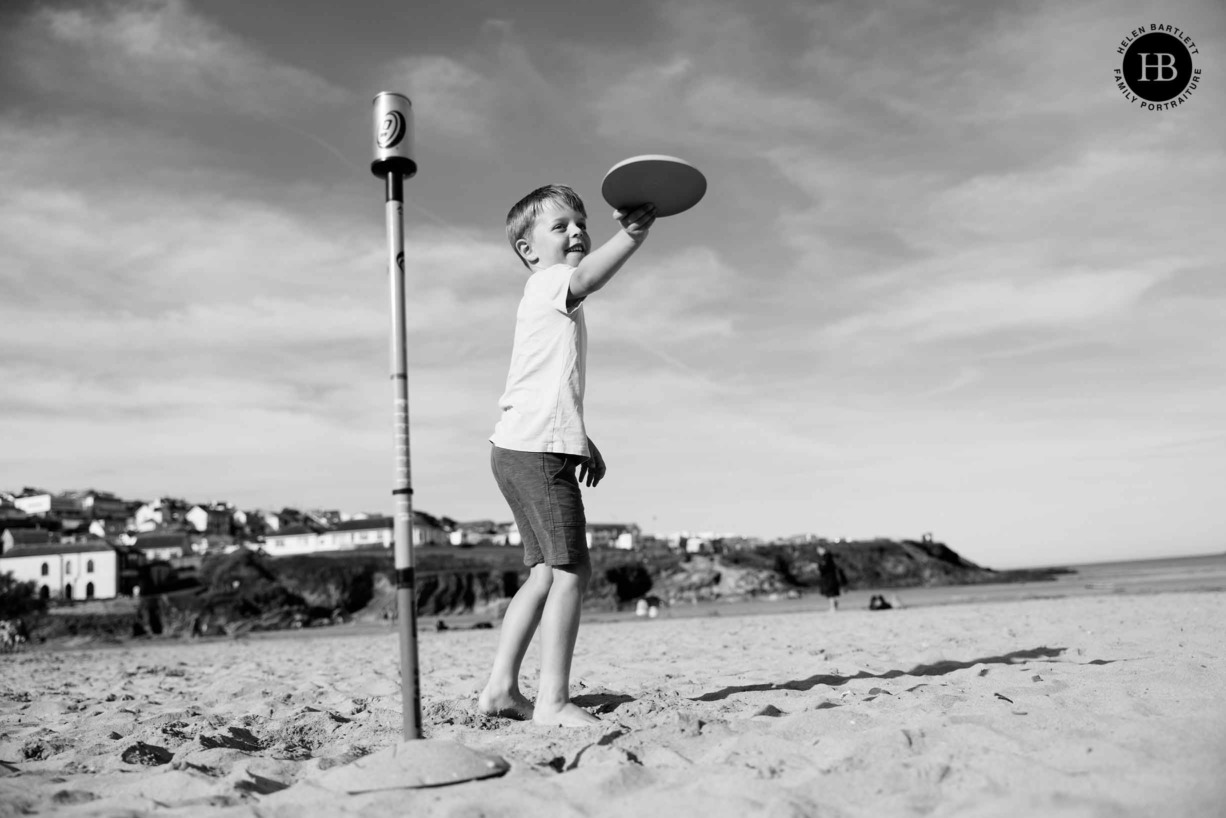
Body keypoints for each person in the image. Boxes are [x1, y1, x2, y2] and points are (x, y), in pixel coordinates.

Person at [478, 184, 657, 727]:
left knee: (541, 574)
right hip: (534, 451)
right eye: (561, 227)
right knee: (572, 570)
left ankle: (500, 691)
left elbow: (549, 386)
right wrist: (632, 234)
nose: (577, 232)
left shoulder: (542, 299)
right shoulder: (551, 284)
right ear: (529, 250)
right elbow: (586, 278)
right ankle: (552, 701)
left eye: (581, 223)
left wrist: (581, 438)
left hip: (516, 445)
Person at [816, 546, 846, 612]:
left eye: (819, 550)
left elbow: (825, 567)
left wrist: (819, 567)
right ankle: (834, 605)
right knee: (830, 593)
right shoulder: (827, 557)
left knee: (830, 592)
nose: (818, 552)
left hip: (829, 578)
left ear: (823, 549)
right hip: (830, 577)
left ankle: (833, 607)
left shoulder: (826, 557)